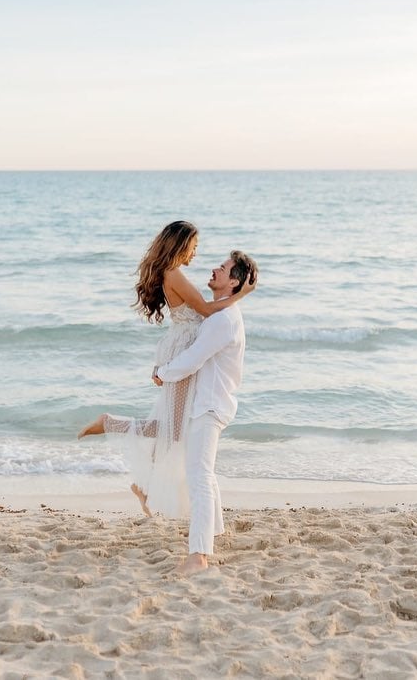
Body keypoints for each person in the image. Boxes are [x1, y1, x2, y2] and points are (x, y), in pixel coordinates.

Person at [77, 221, 253, 518]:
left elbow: (205, 313)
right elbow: (208, 311)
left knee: (175, 425)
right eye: (193, 247)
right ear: (180, 245)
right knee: (175, 430)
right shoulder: (175, 275)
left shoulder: (171, 274)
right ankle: (114, 430)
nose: (195, 254)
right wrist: (243, 294)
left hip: (180, 346)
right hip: (182, 349)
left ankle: (142, 481)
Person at [152, 250, 257, 576]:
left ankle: (198, 557)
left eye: (223, 268)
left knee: (198, 477)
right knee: (205, 474)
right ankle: (214, 533)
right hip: (212, 403)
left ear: (234, 281)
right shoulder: (223, 316)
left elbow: (194, 358)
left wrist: (162, 371)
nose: (214, 269)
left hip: (209, 406)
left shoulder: (223, 320)